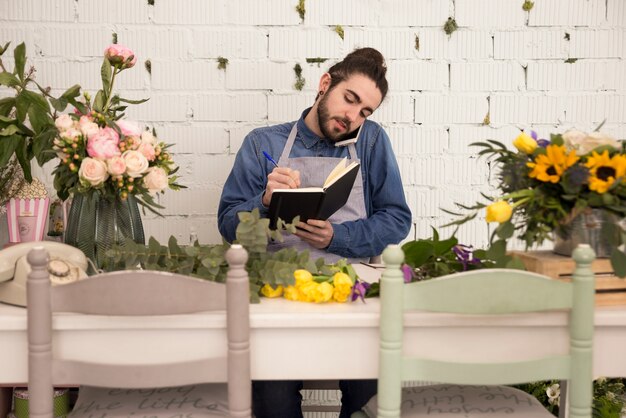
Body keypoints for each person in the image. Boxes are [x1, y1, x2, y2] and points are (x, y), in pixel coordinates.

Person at [217, 47, 412, 418]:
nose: (352, 117)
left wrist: (336, 238)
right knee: (273, 406)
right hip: (277, 300)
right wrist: (264, 202)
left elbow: (396, 219)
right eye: (349, 99)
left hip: (351, 297)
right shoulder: (263, 144)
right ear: (325, 84)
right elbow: (229, 225)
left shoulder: (370, 141)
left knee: (369, 403)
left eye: (365, 112)